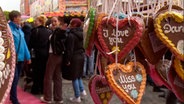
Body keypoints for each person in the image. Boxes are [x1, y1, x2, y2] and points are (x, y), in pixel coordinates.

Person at [40, 17, 67, 104]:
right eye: (52, 22)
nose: (53, 23)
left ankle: (47, 98)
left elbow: (62, 35)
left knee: (48, 77)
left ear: (59, 22)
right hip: (58, 56)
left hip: (54, 55)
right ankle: (58, 98)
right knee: (57, 77)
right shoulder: (55, 31)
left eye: (55, 21)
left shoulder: (58, 31)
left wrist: (61, 30)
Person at [8, 10, 31, 104]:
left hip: (20, 58)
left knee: (15, 79)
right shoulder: (8, 29)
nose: (20, 18)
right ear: (14, 18)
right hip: (13, 59)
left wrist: (28, 57)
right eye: (19, 17)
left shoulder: (19, 29)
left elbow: (24, 44)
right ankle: (14, 99)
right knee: (14, 79)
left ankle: (12, 96)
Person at [62, 18, 87, 103]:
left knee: (74, 77)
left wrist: (67, 60)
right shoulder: (82, 33)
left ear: (74, 25)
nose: (69, 24)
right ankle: (82, 91)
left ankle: (77, 96)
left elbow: (69, 49)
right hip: (81, 56)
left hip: (74, 57)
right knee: (78, 75)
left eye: (71, 23)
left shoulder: (71, 35)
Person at [29, 15, 51, 94]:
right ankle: (42, 88)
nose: (35, 22)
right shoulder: (49, 31)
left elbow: (31, 43)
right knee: (44, 72)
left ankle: (35, 88)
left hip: (36, 54)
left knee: (36, 71)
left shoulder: (35, 31)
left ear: (41, 22)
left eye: (36, 21)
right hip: (46, 54)